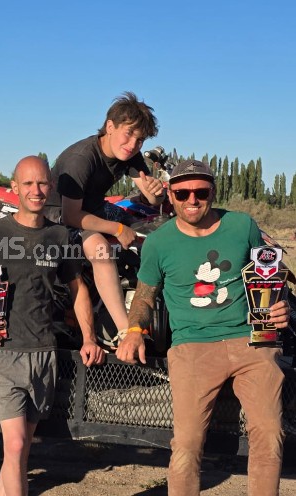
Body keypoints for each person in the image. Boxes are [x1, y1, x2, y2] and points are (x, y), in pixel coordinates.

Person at [116, 159, 291, 495]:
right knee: (187, 442)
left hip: (251, 341)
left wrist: (278, 303)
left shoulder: (242, 226)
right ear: (170, 194)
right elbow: (143, 297)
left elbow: (269, 275)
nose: (192, 199)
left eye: (200, 191)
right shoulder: (158, 243)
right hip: (192, 347)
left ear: (213, 191)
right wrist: (134, 331)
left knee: (269, 433)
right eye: (182, 193)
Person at [0, 155, 105, 496]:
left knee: (20, 450)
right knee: (16, 445)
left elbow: (78, 289)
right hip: (4, 354)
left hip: (44, 353)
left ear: (50, 187)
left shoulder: (59, 236)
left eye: (42, 183)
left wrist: (89, 338)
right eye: (28, 184)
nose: (36, 190)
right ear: (14, 188)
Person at [46, 91, 165, 338]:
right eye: (129, 133)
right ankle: (124, 329)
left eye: (140, 139)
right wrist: (118, 229)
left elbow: (150, 194)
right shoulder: (82, 158)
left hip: (94, 207)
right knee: (100, 247)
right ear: (110, 127)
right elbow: (70, 216)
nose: (133, 144)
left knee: (148, 226)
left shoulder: (128, 155)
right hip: (57, 215)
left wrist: (157, 195)